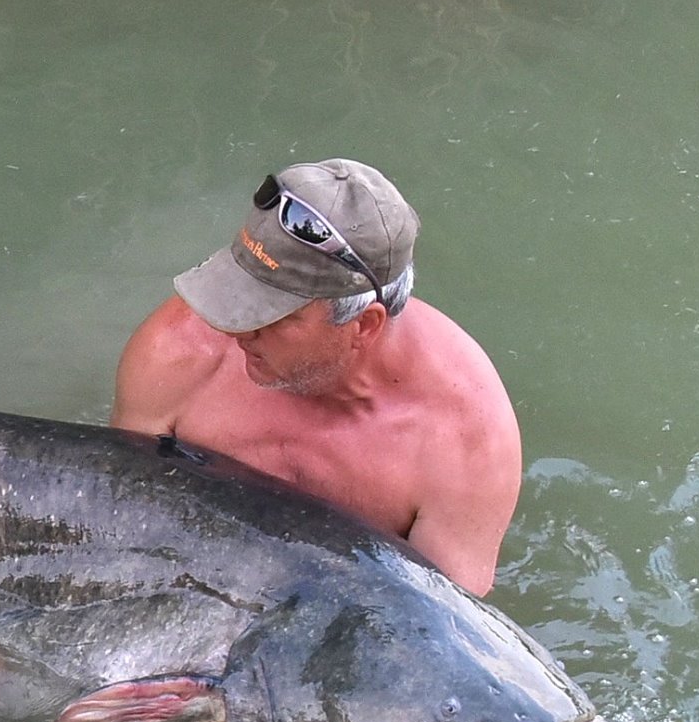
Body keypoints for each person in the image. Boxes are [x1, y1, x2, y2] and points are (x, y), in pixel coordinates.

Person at [110, 159, 520, 595]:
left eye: (272, 314)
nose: (234, 329)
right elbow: (115, 517)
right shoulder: (178, 349)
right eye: (235, 290)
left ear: (363, 325)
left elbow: (433, 632)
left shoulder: (464, 439)